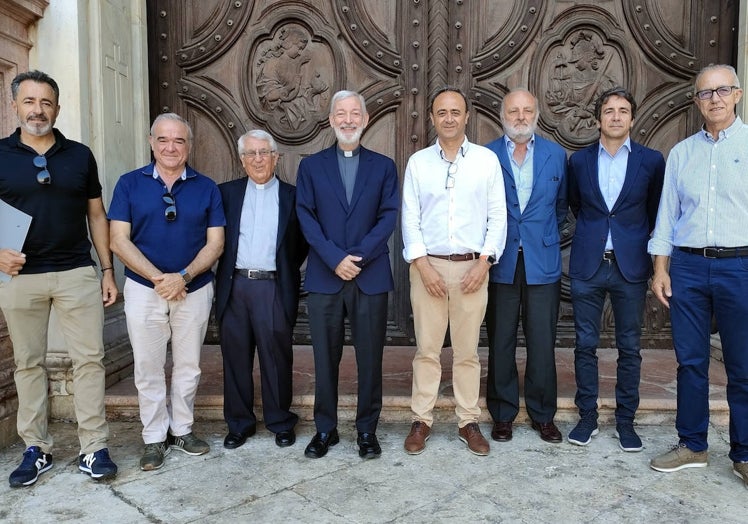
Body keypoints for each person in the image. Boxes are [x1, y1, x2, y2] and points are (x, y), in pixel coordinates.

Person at [0, 70, 118, 486]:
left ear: (57, 108)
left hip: (75, 272)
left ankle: (94, 448)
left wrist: (106, 270)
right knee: (28, 363)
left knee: (90, 360)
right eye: (30, 101)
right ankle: (36, 448)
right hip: (19, 277)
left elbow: (97, 215)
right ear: (15, 104)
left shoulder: (79, 155)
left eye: (46, 102)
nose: (38, 110)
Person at [648, 64, 748, 487]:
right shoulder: (682, 153)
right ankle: (692, 444)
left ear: (738, 94)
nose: (714, 99)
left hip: (740, 267)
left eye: (722, 90)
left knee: (743, 365)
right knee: (691, 362)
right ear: (696, 101)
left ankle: (743, 453)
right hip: (687, 268)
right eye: (705, 93)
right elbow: (667, 216)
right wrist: (660, 269)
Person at [109, 113, 225, 471]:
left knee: (188, 366)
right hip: (145, 289)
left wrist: (184, 276)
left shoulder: (206, 187)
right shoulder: (129, 184)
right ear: (151, 142)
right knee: (148, 367)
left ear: (188, 146)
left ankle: (182, 429)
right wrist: (161, 278)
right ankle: (154, 437)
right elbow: (118, 240)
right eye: (163, 140)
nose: (171, 147)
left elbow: (216, 243)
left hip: (194, 289)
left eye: (179, 141)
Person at [402, 86, 506, 456]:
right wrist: (421, 263)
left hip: (471, 270)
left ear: (466, 117)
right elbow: (410, 219)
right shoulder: (418, 163)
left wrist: (485, 261)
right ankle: (422, 420)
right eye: (441, 112)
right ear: (432, 118)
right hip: (427, 267)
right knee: (427, 350)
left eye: (455, 112)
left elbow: (498, 217)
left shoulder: (485, 161)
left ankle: (468, 420)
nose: (449, 118)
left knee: (467, 351)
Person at [296, 90, 399, 459]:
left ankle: (367, 430)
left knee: (370, 359)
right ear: (331, 120)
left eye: (355, 113)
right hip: (326, 277)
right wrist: (335, 258)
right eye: (341, 113)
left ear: (366, 120)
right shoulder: (311, 166)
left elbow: (388, 215)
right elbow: (306, 217)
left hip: (369, 278)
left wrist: (357, 257)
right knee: (325, 358)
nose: (348, 120)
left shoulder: (384, 166)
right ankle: (325, 429)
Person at [567, 87, 665, 451]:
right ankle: (587, 417)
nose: (616, 116)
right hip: (588, 265)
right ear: (598, 120)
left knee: (629, 346)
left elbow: (655, 211)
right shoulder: (578, 162)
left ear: (632, 119)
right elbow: (576, 204)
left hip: (631, 266)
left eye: (623, 111)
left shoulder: (651, 161)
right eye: (609, 111)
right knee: (585, 345)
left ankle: (626, 422)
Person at [215, 129, 308, 450]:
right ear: (242, 160)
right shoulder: (224, 194)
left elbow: (300, 246)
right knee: (236, 358)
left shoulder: (294, 196)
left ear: (275, 157)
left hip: (273, 286)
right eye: (251, 154)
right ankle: (239, 424)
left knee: (276, 358)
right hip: (235, 285)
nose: (258, 159)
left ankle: (280, 421)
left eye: (264, 152)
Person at [484, 88, 567, 445]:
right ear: (503, 115)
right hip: (499, 261)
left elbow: (562, 207)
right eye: (513, 111)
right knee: (500, 340)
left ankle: (543, 414)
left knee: (541, 341)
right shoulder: (485, 155)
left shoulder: (556, 154)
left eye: (527, 110)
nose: (520, 116)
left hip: (542, 261)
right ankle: (502, 415)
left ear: (537, 113)